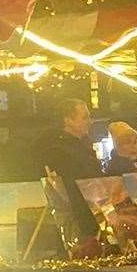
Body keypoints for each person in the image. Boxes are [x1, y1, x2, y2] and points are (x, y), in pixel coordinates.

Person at [37, 99, 102, 241]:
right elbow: (68, 189)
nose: (90, 122)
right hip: (81, 219)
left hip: (93, 213)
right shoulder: (59, 151)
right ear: (68, 120)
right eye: (85, 117)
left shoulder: (82, 146)